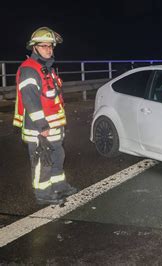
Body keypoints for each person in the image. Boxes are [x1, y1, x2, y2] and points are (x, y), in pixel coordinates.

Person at [13, 27, 77, 205]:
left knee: (58, 156)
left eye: (51, 46)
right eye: (44, 46)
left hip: (54, 126)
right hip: (40, 129)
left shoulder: (45, 68)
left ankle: (59, 185)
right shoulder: (29, 69)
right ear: (34, 48)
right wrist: (43, 126)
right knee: (43, 161)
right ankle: (43, 193)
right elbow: (30, 101)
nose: (49, 50)